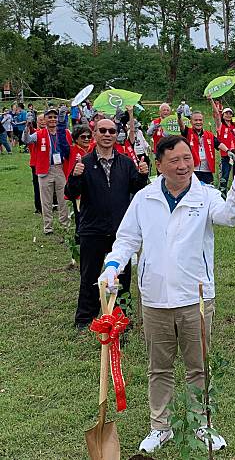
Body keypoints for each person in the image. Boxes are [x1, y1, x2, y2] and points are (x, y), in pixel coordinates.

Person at [96, 135, 235, 453]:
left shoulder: (205, 195)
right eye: (175, 160)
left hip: (195, 297)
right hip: (155, 299)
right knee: (159, 366)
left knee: (197, 365)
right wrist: (113, 265)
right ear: (159, 165)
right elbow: (128, 238)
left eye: (188, 158)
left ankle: (202, 423)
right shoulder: (144, 199)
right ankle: (160, 426)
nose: (184, 165)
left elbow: (228, 217)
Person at [65, 118, 149, 330]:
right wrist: (75, 177)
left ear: (116, 134)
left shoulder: (126, 163)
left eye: (112, 130)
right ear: (95, 134)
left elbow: (137, 190)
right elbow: (70, 193)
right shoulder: (83, 162)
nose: (107, 134)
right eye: (102, 130)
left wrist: (143, 174)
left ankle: (122, 317)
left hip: (121, 231)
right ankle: (85, 319)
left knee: (122, 275)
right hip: (92, 229)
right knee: (89, 275)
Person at [24, 107, 71, 234]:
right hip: (45, 169)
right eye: (49, 117)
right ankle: (48, 227)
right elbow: (26, 140)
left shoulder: (65, 132)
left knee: (63, 198)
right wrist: (27, 127)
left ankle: (65, 224)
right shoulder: (39, 134)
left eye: (55, 117)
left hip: (61, 168)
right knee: (46, 200)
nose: (52, 119)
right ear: (45, 119)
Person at [178, 104, 235, 186]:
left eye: (200, 120)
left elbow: (218, 144)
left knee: (207, 192)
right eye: (196, 120)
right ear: (191, 122)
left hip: (207, 170)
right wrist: (179, 116)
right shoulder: (187, 132)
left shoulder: (209, 135)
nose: (198, 122)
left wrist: (228, 151)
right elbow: (181, 125)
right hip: (192, 169)